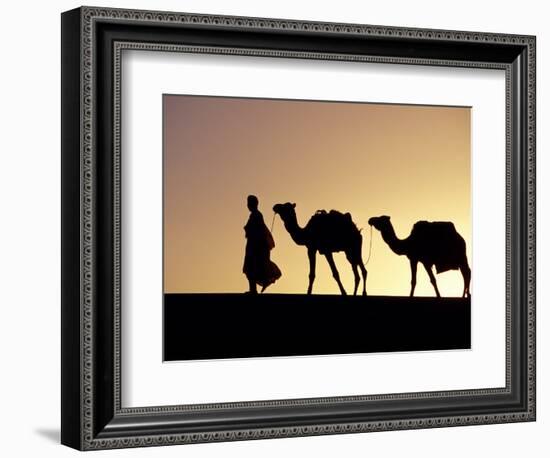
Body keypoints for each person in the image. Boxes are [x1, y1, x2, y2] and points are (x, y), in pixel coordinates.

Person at [243, 195, 282, 293]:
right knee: (250, 269)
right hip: (253, 246)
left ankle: (253, 290)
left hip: (255, 247)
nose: (248, 205)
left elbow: (257, 231)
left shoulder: (256, 215)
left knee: (252, 268)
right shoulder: (255, 215)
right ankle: (253, 290)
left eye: (249, 203)